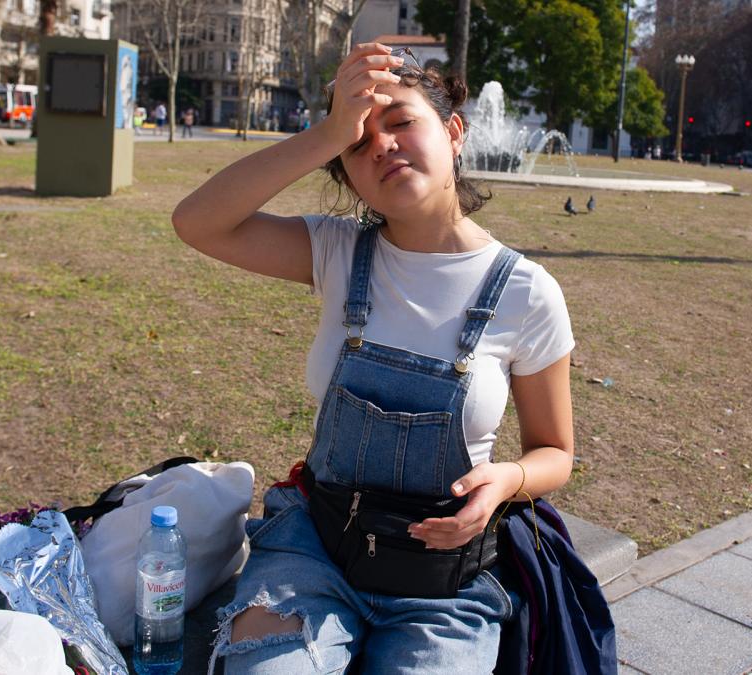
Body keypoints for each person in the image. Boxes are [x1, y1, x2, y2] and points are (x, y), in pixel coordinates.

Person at [171, 43, 584, 672]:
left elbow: (555, 453)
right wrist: (329, 130)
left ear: (452, 132)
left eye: (401, 123)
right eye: (358, 145)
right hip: (314, 550)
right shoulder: (335, 253)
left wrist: (506, 481)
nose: (382, 146)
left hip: (442, 581)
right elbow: (197, 222)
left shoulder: (527, 294)